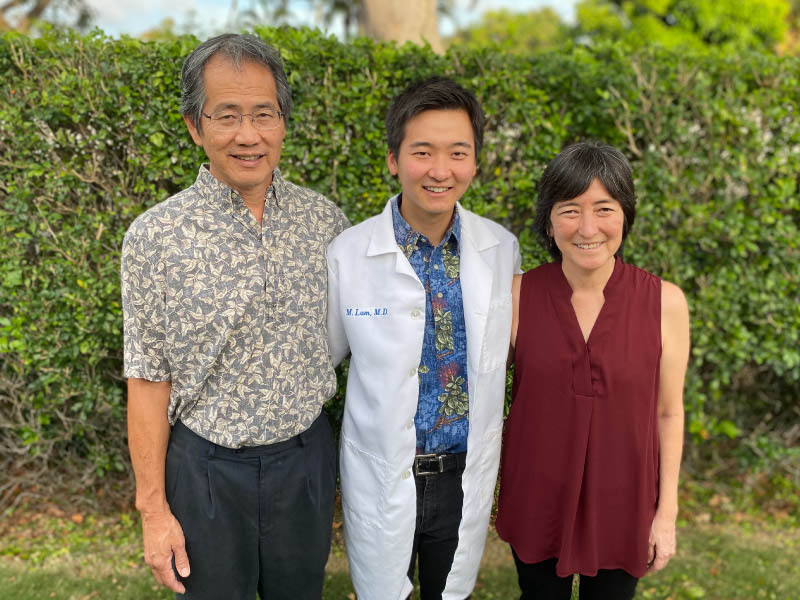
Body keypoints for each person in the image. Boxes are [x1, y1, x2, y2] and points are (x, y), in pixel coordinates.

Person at [121, 33, 349, 599]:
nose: (248, 135)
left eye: (263, 114)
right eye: (227, 115)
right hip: (204, 473)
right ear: (195, 126)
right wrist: (153, 511)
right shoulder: (154, 237)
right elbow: (148, 380)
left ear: (283, 123)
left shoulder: (326, 224)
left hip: (305, 463)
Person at [326, 76, 521, 600]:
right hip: (382, 473)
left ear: (475, 161)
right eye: (422, 152)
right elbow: (320, 361)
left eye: (458, 152)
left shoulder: (501, 250)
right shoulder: (347, 253)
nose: (440, 170)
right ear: (393, 159)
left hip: (462, 475)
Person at [495, 141, 691, 599]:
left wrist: (667, 514)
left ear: (625, 215)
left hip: (626, 501)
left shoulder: (666, 303)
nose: (588, 228)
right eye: (570, 210)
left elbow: (669, 413)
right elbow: (483, 399)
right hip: (536, 495)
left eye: (604, 208)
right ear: (548, 218)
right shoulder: (516, 296)